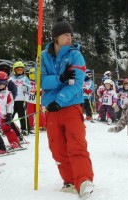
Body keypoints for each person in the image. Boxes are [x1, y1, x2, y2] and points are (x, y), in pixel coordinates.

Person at [40, 17, 94, 199]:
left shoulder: (75, 55)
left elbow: (77, 83)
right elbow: (40, 80)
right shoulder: (43, 56)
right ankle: (70, 180)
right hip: (51, 109)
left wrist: (60, 99)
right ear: (56, 37)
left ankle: (84, 180)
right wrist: (59, 78)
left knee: (76, 144)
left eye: (70, 35)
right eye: (65, 35)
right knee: (57, 147)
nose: (69, 38)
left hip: (70, 106)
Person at [0, 71, 20, 150]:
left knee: (7, 129)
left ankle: (14, 142)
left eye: (3, 83)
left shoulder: (8, 93)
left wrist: (9, 114)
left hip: (3, 115)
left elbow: (10, 105)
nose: (1, 85)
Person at [9, 61, 33, 135]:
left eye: (21, 70)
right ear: (14, 70)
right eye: (18, 70)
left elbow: (30, 87)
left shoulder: (25, 78)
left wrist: (26, 88)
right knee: (10, 114)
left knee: (22, 114)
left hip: (22, 99)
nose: (20, 71)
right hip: (12, 100)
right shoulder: (11, 79)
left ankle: (24, 129)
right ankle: (7, 127)